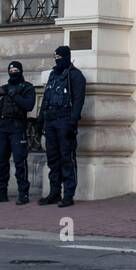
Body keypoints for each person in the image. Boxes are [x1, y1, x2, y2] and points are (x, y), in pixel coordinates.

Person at [38, 46, 85, 207]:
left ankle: (68, 194)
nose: (57, 60)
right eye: (55, 57)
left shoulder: (75, 76)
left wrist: (73, 122)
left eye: (60, 57)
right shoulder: (53, 74)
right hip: (50, 120)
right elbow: (46, 98)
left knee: (67, 158)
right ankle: (54, 192)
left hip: (65, 121)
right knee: (53, 159)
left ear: (67, 57)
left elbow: (78, 100)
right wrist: (40, 119)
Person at [0, 61, 35, 204]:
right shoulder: (4, 88)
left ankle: (23, 193)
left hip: (18, 128)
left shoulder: (27, 87)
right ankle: (1, 192)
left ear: (20, 71)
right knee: (1, 160)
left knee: (20, 160)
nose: (13, 72)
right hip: (3, 128)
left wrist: (15, 96)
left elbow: (29, 105)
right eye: (11, 69)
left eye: (15, 69)